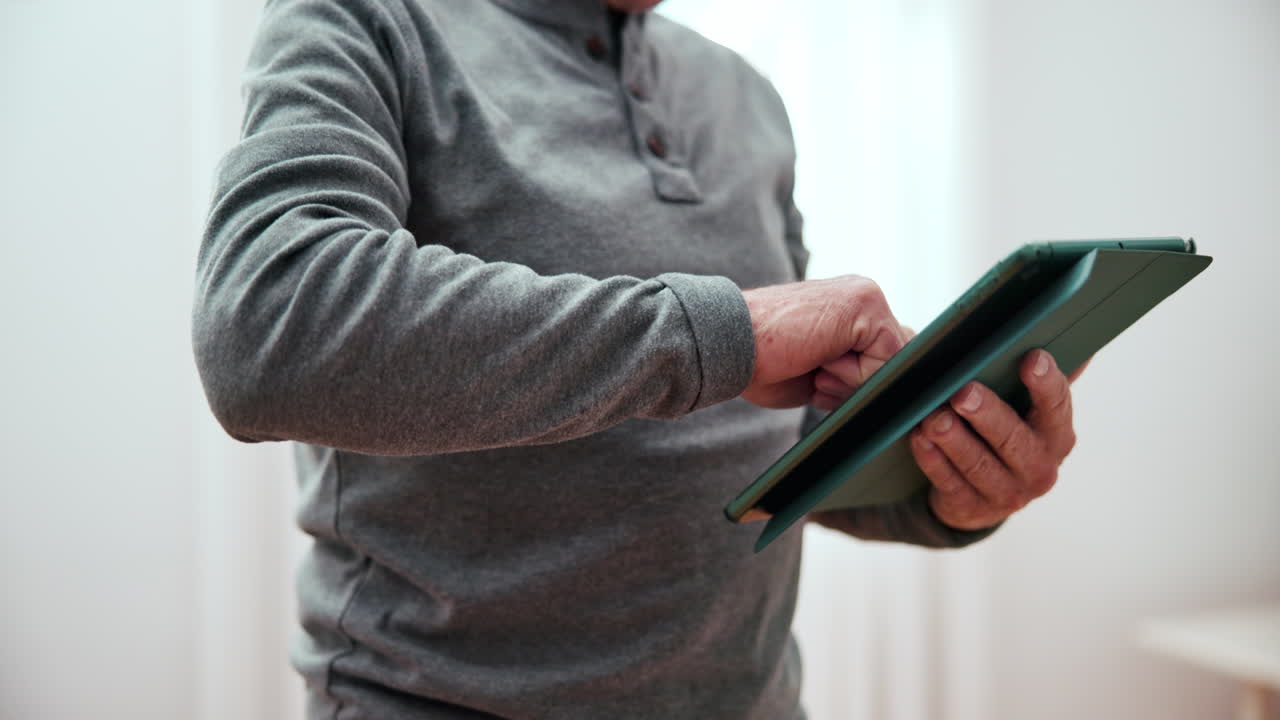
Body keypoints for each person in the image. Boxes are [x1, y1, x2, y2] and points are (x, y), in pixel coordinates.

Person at [191, 0, 1079, 717]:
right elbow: (268, 322)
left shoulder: (745, 96)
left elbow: (773, 436)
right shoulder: (367, 19)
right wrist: (727, 332)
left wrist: (950, 480)